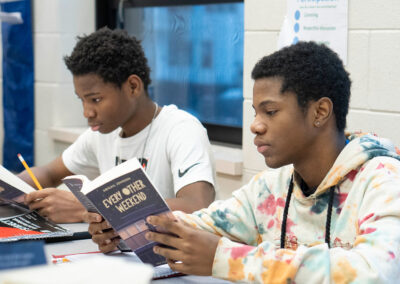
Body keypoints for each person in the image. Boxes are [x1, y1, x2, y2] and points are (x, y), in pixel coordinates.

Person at [142, 42, 400, 282]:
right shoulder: (270, 189)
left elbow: (377, 273)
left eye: (271, 112)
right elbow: (201, 224)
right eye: (256, 112)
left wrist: (227, 259)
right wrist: (127, 227)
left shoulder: (384, 180)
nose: (255, 125)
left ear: (319, 112)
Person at [19, 27, 216, 224]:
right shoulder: (101, 134)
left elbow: (197, 207)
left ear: (133, 87)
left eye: (95, 100)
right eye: (82, 100)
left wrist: (88, 208)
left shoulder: (181, 129)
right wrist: (11, 187)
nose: (87, 112)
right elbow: (49, 172)